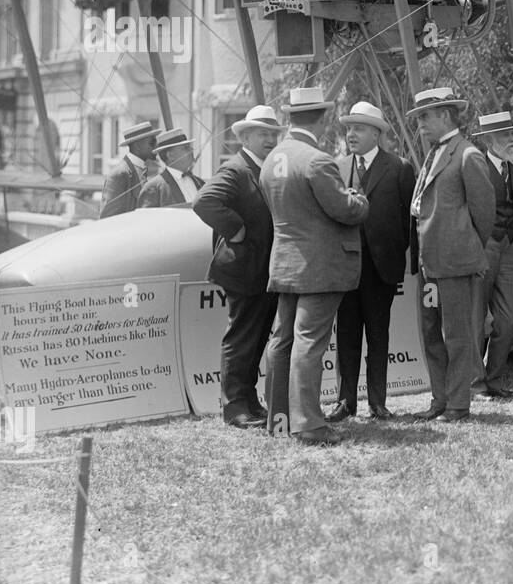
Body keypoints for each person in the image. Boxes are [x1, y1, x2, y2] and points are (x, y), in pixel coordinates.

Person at [260, 87, 370, 446]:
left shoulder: (272, 159)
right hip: (319, 268)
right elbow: (344, 209)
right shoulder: (316, 160)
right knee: (308, 343)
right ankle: (307, 424)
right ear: (321, 119)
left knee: (283, 340)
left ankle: (279, 419)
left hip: (285, 264)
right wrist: (359, 199)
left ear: (291, 118)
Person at [408, 88, 497, 423]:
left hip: (454, 264)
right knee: (431, 333)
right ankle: (440, 399)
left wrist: (463, 246)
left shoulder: (468, 155)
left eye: (424, 118)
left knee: (457, 335)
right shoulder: (434, 154)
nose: (420, 126)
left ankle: (459, 404)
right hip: (429, 264)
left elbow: (484, 214)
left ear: (445, 115)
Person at [192, 105, 283, 429]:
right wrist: (237, 229)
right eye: (263, 134)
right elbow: (204, 201)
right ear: (245, 136)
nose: (270, 139)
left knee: (257, 337)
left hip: (262, 270)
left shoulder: (264, 167)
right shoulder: (236, 169)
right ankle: (234, 408)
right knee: (242, 338)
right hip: (243, 268)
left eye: (274, 134)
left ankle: (249, 400)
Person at [327, 101, 417, 423]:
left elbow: (409, 222)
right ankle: (344, 401)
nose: (351, 134)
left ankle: (377, 403)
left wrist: (393, 255)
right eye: (349, 128)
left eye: (359, 128)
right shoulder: (336, 168)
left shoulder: (400, 168)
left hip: (382, 270)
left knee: (379, 336)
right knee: (346, 335)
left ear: (376, 133)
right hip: (346, 269)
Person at [470, 112, 513, 400]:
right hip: (482, 247)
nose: (511, 139)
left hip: (510, 247)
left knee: (509, 320)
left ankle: (495, 380)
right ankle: (475, 384)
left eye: (512, 133)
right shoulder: (475, 166)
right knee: (475, 318)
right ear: (489, 140)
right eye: (504, 135)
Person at [99, 121, 160, 217]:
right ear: (137, 146)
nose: (157, 146)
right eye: (152, 142)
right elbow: (107, 218)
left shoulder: (143, 169)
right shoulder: (119, 174)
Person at [138, 129, 204, 207]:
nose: (191, 150)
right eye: (185, 148)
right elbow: (147, 218)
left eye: (189, 147)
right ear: (170, 155)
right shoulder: (154, 187)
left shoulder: (200, 182)